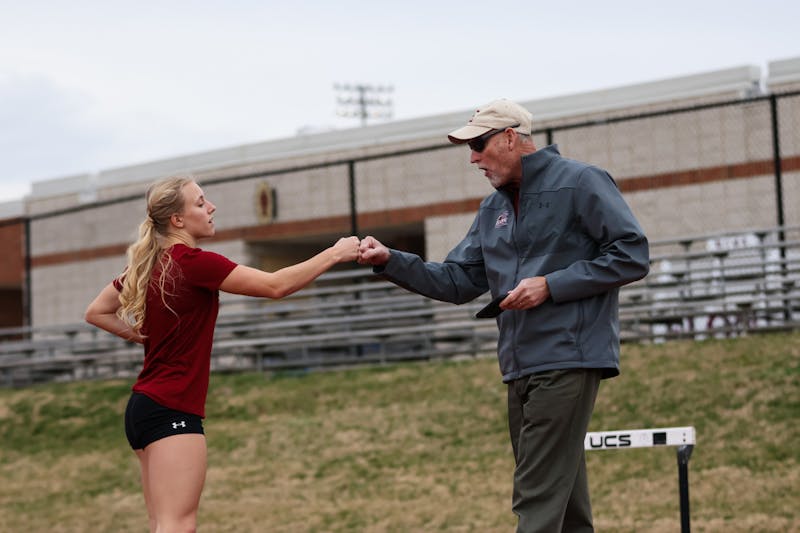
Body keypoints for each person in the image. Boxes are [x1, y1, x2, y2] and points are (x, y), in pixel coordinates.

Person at [358, 99, 649, 532]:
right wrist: (391, 260)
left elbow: (632, 255)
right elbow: (458, 281)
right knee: (563, 503)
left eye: (478, 144)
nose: (473, 158)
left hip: (568, 357)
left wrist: (551, 284)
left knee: (536, 494)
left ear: (511, 137)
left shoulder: (582, 182)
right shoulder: (490, 209)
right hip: (518, 365)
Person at [84, 175, 359, 533]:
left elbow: (96, 311)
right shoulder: (195, 262)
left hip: (145, 409)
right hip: (171, 409)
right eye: (200, 202)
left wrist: (141, 336)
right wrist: (336, 252)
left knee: (163, 524)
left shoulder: (146, 265)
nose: (211, 207)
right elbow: (275, 286)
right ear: (177, 220)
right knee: (178, 526)